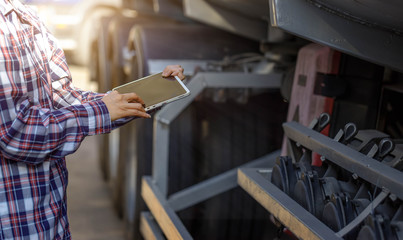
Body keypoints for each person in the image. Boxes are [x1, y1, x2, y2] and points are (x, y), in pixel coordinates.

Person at [0, 0, 184, 239]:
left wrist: (147, 93)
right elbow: (16, 133)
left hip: (46, 220)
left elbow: (62, 95)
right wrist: (103, 111)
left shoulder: (25, 16)